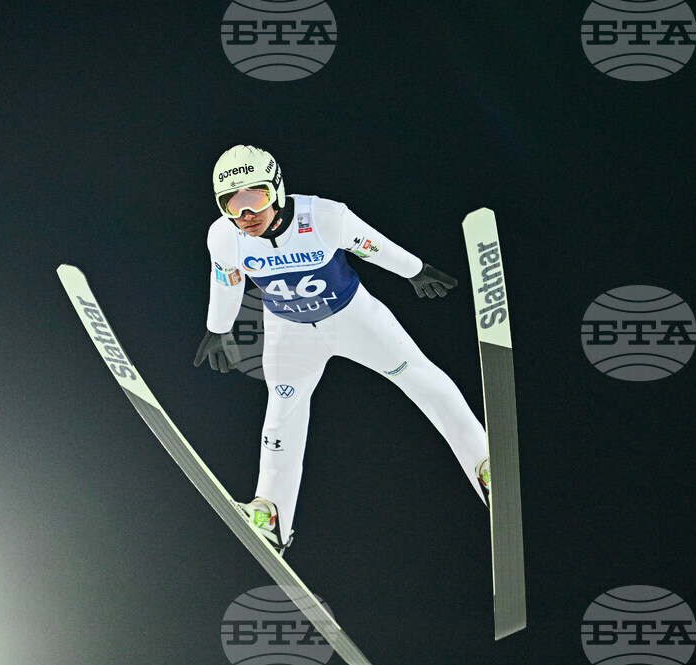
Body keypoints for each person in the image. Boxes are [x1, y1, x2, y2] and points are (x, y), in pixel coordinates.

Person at [194, 145, 490, 556]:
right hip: (290, 333)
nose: (246, 214)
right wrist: (218, 329)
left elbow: (373, 245)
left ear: (277, 190)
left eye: (255, 198)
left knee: (421, 378)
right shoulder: (225, 237)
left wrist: (416, 270)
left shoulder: (323, 216)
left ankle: (485, 464)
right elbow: (226, 281)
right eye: (233, 203)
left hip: (353, 320)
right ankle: (272, 516)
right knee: (281, 417)